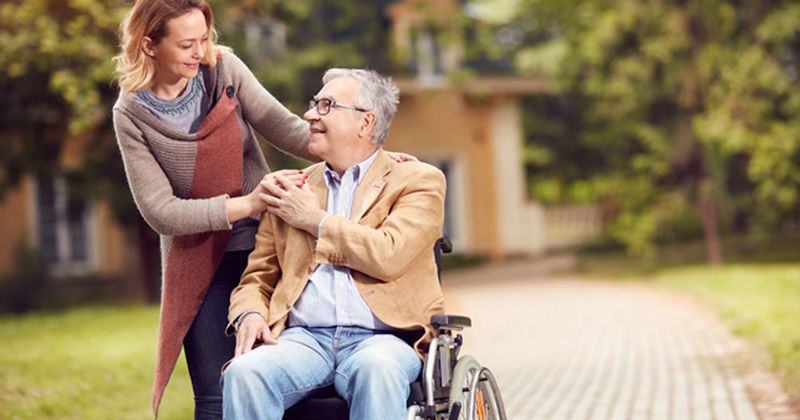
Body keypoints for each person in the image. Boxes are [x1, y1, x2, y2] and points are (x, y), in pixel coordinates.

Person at [111, 1, 414, 418]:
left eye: (204, 39)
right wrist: (250, 203)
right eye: (186, 44)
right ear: (149, 45)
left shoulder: (223, 70)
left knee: (284, 371)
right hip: (199, 259)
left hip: (265, 243)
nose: (199, 53)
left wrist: (373, 156)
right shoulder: (131, 114)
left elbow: (284, 126)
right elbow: (161, 212)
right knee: (218, 393)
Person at [221, 68, 447, 420]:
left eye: (326, 105)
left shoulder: (418, 181)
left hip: (382, 338)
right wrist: (249, 312)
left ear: (365, 122)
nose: (310, 114)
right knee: (244, 373)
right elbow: (258, 278)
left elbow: (389, 254)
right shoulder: (291, 187)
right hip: (303, 339)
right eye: (314, 104)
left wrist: (314, 220)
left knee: (377, 370)